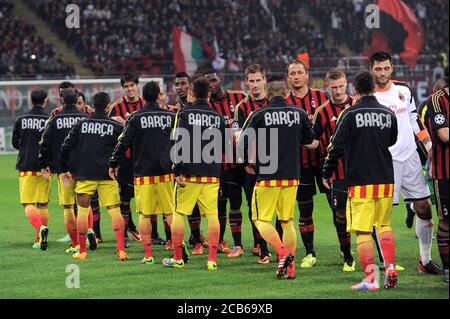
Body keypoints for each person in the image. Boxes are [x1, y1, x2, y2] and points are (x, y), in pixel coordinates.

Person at [323, 71, 399, 290]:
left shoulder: (349, 114)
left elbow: (335, 146)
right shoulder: (387, 114)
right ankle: (391, 266)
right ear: (374, 87)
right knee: (384, 225)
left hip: (360, 181)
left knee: (364, 231)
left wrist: (327, 172)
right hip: (385, 179)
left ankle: (371, 280)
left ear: (354, 89)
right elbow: (392, 140)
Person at [237, 76, 318, 280]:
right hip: (292, 176)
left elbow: (242, 142)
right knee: (287, 220)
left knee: (259, 218)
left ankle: (283, 253)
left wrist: (247, 162)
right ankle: (290, 269)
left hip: (267, 175)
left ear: (267, 93)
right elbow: (309, 139)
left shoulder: (259, 114)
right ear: (286, 92)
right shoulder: (299, 113)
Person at [370, 51, 440, 274]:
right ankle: (386, 261)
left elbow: (414, 120)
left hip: (409, 157)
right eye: (378, 69)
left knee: (424, 207)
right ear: (371, 70)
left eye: (386, 68)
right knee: (382, 214)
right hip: (384, 161)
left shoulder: (403, 90)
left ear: (392, 68)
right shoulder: (367, 96)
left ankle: (425, 260)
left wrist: (429, 146)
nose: (383, 72)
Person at [163, 76, 226, 270]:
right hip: (211, 173)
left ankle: (178, 258)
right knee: (213, 214)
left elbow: (177, 142)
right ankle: (212, 260)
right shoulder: (217, 116)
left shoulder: (184, 113)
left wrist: (177, 169)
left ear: (193, 92)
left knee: (179, 213)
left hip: (188, 174)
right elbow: (223, 145)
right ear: (209, 93)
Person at [110, 81, 176, 264]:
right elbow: (179, 142)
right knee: (170, 213)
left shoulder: (136, 117)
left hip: (143, 173)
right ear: (157, 96)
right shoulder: (170, 116)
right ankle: (179, 251)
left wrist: (113, 162)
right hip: (165, 173)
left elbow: (123, 142)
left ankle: (148, 254)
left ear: (144, 97)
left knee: (145, 214)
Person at [59, 92, 126, 261]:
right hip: (107, 175)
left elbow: (66, 146)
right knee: (114, 211)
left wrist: (63, 168)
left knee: (81, 211)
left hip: (85, 174)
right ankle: (121, 250)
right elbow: (125, 146)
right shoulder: (116, 126)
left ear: (93, 105)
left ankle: (82, 251)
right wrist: (116, 165)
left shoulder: (82, 124)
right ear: (108, 105)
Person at [39, 88, 96, 253]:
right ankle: (90, 230)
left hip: (64, 170)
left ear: (62, 100)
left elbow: (44, 142)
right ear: (76, 99)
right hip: (84, 169)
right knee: (85, 205)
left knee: (68, 207)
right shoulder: (85, 118)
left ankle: (75, 244)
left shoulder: (56, 119)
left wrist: (44, 163)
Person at [285, 59, 329, 268]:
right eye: (292, 73)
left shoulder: (322, 98)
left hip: (324, 163)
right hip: (299, 165)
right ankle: (310, 252)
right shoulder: (285, 104)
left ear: (307, 75)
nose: (296, 76)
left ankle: (345, 251)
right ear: (288, 78)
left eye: (299, 72)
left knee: (337, 208)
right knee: (305, 210)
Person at [312, 68, 355, 271]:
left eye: (341, 86)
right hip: (335, 171)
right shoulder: (322, 112)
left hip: (359, 170)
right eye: (333, 87)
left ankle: (381, 258)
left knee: (369, 216)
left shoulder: (357, 104)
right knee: (339, 215)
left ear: (347, 83)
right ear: (327, 86)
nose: (338, 91)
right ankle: (347, 255)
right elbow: (312, 141)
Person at [205, 70, 247, 256]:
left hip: (243, 161)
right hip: (221, 163)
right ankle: (221, 240)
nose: (212, 84)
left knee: (241, 202)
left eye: (214, 80)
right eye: (208, 83)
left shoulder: (239, 97)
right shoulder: (206, 106)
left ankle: (246, 244)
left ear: (220, 79)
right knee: (221, 203)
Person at [233, 64, 272, 263]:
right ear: (246, 82)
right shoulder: (242, 107)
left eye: (258, 80)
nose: (255, 85)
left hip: (275, 163)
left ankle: (276, 244)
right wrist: (244, 163)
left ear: (264, 80)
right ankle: (262, 247)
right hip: (252, 166)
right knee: (254, 208)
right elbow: (239, 137)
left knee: (279, 209)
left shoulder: (273, 102)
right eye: (251, 81)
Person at [107, 72, 144, 247]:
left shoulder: (146, 104)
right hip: (125, 160)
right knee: (124, 199)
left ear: (137, 85)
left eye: (132, 85)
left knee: (148, 198)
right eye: (126, 86)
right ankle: (126, 234)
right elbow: (108, 132)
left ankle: (153, 233)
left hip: (144, 159)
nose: (129, 89)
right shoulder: (116, 108)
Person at [173, 72, 209, 254]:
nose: (180, 87)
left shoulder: (186, 111)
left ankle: (183, 250)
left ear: (191, 88)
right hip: (201, 167)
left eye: (184, 84)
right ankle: (196, 241)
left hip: (193, 167)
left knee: (183, 209)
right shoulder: (176, 109)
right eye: (177, 84)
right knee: (195, 209)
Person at [12, 89, 50, 250]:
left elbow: (15, 142)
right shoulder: (49, 119)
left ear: (30, 99)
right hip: (45, 167)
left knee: (28, 202)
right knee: (42, 204)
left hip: (26, 165)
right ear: (46, 100)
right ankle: (39, 239)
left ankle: (39, 229)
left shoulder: (21, 119)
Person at [422, 75, 449, 283]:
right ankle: (448, 268)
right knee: (446, 222)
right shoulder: (436, 100)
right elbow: (445, 135)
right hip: (445, 173)